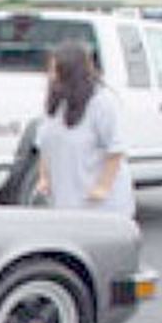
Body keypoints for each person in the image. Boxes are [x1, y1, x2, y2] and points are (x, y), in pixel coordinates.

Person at [35, 40, 135, 217]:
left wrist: (102, 187)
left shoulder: (102, 103)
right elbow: (44, 143)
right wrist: (44, 178)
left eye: (55, 71)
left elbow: (116, 150)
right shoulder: (57, 103)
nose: (51, 76)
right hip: (66, 202)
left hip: (101, 208)